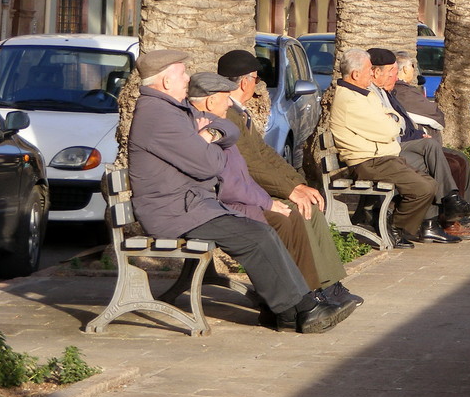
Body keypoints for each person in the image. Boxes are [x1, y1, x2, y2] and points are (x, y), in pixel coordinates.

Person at [127, 49, 347, 334]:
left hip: (194, 206)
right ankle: (301, 307)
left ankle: (285, 312)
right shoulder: (159, 116)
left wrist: (210, 135)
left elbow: (225, 129)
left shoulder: (174, 109)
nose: (187, 78)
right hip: (177, 213)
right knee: (256, 235)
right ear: (166, 81)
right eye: (182, 73)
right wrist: (209, 142)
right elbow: (208, 166)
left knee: (260, 231)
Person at [187, 71, 361, 318]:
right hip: (221, 205)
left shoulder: (224, 122)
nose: (230, 101)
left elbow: (262, 157)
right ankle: (302, 299)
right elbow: (238, 177)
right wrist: (274, 198)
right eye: (225, 97)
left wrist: (296, 184)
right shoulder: (209, 124)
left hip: (235, 198)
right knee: (288, 217)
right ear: (210, 100)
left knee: (301, 209)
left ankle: (325, 287)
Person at [327, 48, 443, 248]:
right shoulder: (350, 100)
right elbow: (389, 129)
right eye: (369, 69)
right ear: (355, 74)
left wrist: (391, 122)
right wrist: (391, 124)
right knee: (423, 188)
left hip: (383, 157)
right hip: (368, 162)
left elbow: (391, 116)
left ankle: (395, 224)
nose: (372, 73)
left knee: (428, 183)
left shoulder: (363, 94)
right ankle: (396, 229)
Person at [366, 48, 470, 241]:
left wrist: (418, 133)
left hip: (402, 144)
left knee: (454, 157)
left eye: (396, 71)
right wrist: (413, 133)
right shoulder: (373, 94)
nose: (396, 75)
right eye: (392, 71)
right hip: (385, 151)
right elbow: (391, 127)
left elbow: (402, 122)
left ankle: (444, 214)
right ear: (377, 72)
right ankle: (438, 218)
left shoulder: (387, 92)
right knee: (432, 159)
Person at [392, 50, 470, 227]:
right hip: (409, 149)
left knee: (461, 158)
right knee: (453, 165)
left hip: (419, 144)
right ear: (404, 69)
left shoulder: (403, 91)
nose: (415, 70)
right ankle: (449, 218)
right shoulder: (402, 92)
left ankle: (462, 210)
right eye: (413, 66)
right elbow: (436, 116)